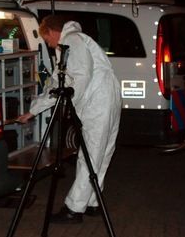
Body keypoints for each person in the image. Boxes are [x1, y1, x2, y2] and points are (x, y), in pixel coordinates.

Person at [17, 14, 121, 224]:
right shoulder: (78, 41)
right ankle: (93, 201)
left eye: (47, 39)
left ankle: (74, 208)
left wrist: (67, 104)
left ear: (53, 31)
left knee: (89, 156)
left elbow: (78, 77)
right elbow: (60, 80)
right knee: (101, 153)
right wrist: (34, 110)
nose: (48, 43)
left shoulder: (71, 41)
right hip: (108, 99)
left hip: (97, 104)